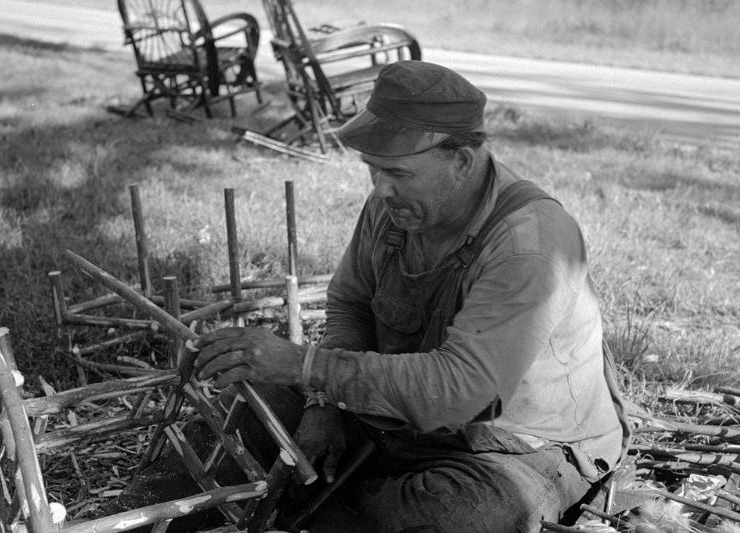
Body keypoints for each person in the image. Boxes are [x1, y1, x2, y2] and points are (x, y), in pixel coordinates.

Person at [192, 60, 629, 533]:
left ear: (461, 160)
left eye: (397, 172)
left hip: (520, 448)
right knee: (253, 409)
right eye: (373, 170)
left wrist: (305, 366)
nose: (380, 189)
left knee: (448, 516)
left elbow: (459, 393)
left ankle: (328, 508)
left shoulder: (531, 244)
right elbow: (351, 304)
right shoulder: (395, 205)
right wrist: (321, 402)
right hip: (401, 422)